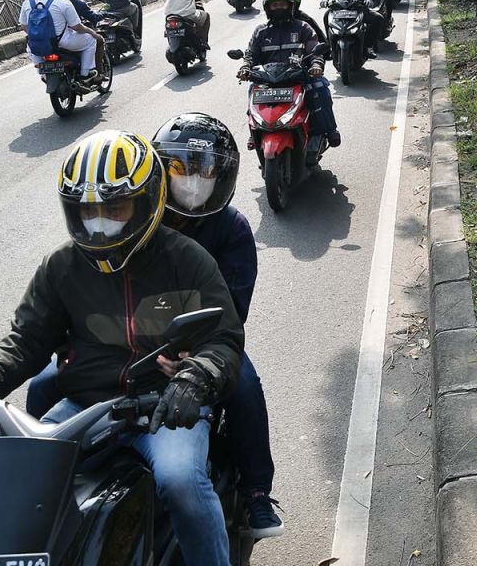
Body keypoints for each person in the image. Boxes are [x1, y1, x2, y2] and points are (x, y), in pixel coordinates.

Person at [0, 130, 245, 566]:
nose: (99, 223)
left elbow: (223, 339)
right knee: (21, 483)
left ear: (147, 201)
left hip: (162, 410)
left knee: (181, 483)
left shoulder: (186, 259)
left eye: (114, 208)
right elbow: (26, 340)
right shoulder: (61, 267)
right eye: (87, 211)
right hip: (84, 408)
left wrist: (195, 377)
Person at [25, 115, 284, 539]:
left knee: (245, 386)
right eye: (180, 169)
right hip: (119, 354)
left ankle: (256, 490)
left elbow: (231, 313)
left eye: (204, 171)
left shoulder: (228, 229)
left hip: (198, 344)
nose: (192, 182)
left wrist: (193, 358)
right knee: (41, 386)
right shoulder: (129, 218)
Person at [238, 0, 341, 150]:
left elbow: (314, 50)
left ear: (290, 6)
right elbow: (251, 54)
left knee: (320, 86)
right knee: (251, 91)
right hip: (268, 80)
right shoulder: (260, 31)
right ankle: (254, 132)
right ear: (267, 7)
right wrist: (245, 67)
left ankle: (330, 129)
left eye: (282, 4)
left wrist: (316, 65)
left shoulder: (303, 28)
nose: (278, 8)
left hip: (298, 77)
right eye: (274, 5)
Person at [20, 0, 101, 83]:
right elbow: (76, 26)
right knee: (91, 40)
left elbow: (24, 26)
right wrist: (91, 32)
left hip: (38, 44)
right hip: (62, 42)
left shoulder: (28, 1)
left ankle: (44, 75)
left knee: (30, 48)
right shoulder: (62, 1)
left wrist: (38, 36)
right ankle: (85, 74)